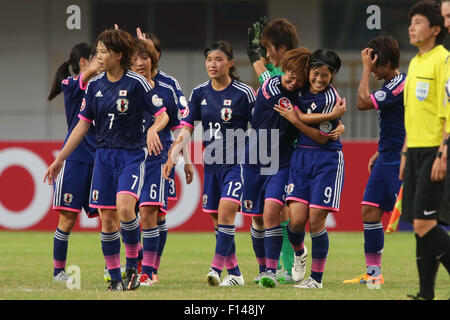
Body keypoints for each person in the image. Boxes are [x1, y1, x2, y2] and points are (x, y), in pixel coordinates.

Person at [44, 28, 169, 292]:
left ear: (118, 55)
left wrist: (152, 129)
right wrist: (59, 159)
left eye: (103, 52)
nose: (98, 56)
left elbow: (163, 115)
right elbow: (80, 126)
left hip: (131, 156)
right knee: (107, 219)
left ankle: (133, 266)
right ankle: (114, 276)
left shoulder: (137, 83)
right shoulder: (94, 87)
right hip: (103, 157)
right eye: (97, 51)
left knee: (125, 209)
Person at [163, 40, 255, 286]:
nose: (213, 64)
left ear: (230, 63)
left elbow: (260, 126)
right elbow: (186, 127)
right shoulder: (199, 93)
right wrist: (176, 152)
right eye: (209, 60)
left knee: (226, 212)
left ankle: (215, 269)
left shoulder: (244, 93)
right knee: (216, 218)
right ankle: (235, 273)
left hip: (238, 163)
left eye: (219, 59)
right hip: (212, 164)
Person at [275, 49, 345, 289]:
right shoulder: (300, 87)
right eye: (316, 73)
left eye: (325, 75)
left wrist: (296, 119)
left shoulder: (331, 99)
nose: (319, 79)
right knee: (295, 222)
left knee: (315, 222)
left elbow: (323, 137)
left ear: (332, 76)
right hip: (300, 158)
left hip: (326, 159)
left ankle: (316, 279)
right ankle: (299, 252)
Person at [342, 35, 405, 285]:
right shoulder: (391, 85)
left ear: (386, 63)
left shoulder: (399, 85)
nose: (372, 70)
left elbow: (361, 102)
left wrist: (365, 70)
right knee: (369, 211)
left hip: (401, 159)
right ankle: (373, 275)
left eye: (374, 64)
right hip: (386, 156)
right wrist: (381, 150)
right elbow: (399, 123)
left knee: (425, 219)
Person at [130, 38, 193, 286]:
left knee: (152, 213)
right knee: (128, 213)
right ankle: (135, 261)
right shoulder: (126, 83)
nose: (140, 62)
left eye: (145, 56)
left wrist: (184, 158)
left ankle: (150, 270)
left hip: (160, 155)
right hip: (129, 155)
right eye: (134, 57)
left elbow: (181, 125)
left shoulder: (167, 86)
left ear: (155, 56)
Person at [399, 0, 450, 300]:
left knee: (424, 223)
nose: (411, 27)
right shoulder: (415, 62)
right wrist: (405, 153)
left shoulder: (443, 60)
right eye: (411, 22)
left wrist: (443, 152)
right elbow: (412, 113)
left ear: (434, 29)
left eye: (417, 22)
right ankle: (426, 294)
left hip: (434, 150)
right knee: (420, 225)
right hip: (415, 151)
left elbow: (447, 109)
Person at [47, 42, 102, 282]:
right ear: (84, 61)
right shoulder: (70, 85)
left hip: (100, 160)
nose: (102, 60)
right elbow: (87, 75)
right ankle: (59, 271)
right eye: (97, 56)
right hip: (75, 161)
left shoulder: (103, 87)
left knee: (111, 214)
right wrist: (99, 63)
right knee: (67, 218)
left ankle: (123, 265)